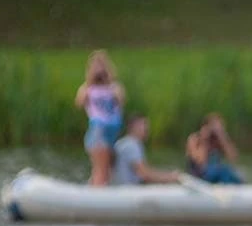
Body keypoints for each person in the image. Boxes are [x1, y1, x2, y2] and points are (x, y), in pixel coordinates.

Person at [75, 50, 125, 187]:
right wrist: (90, 81)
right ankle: (96, 195)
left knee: (106, 169)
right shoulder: (88, 88)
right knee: (101, 170)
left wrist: (108, 80)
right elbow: (79, 103)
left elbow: (121, 100)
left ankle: (97, 191)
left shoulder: (114, 87)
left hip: (111, 133)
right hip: (98, 131)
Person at [113, 114, 182, 185]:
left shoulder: (121, 143)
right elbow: (144, 173)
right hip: (128, 191)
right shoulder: (132, 145)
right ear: (134, 126)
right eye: (144, 124)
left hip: (119, 189)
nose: (147, 128)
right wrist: (170, 177)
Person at [185, 113, 243, 185]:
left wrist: (222, 136)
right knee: (223, 171)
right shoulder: (195, 139)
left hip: (216, 177)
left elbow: (233, 158)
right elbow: (200, 162)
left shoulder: (218, 141)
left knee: (233, 173)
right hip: (199, 176)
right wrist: (204, 140)